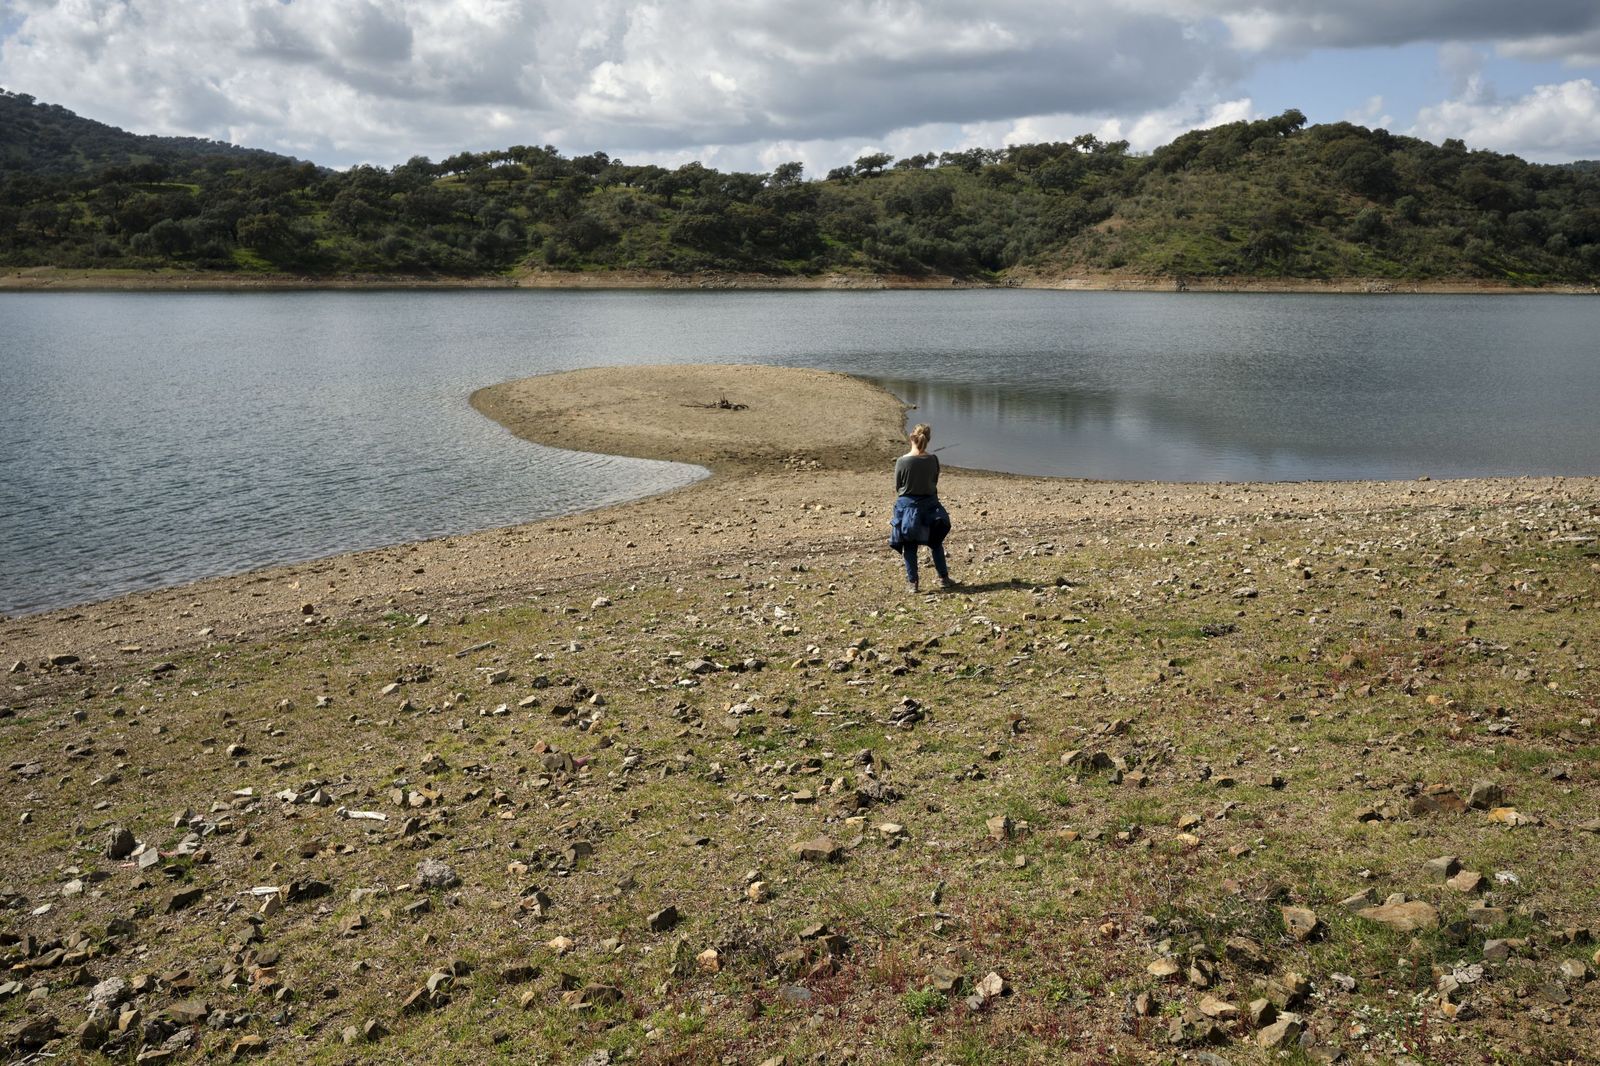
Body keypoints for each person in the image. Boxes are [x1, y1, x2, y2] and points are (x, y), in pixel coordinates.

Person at [889, 423, 953, 592]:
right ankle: (943, 579)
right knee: (935, 542)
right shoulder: (933, 459)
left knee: (909, 545)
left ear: (912, 438)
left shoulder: (902, 461)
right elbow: (934, 481)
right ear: (928, 439)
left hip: (907, 506)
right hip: (930, 505)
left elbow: (898, 487)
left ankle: (913, 583)